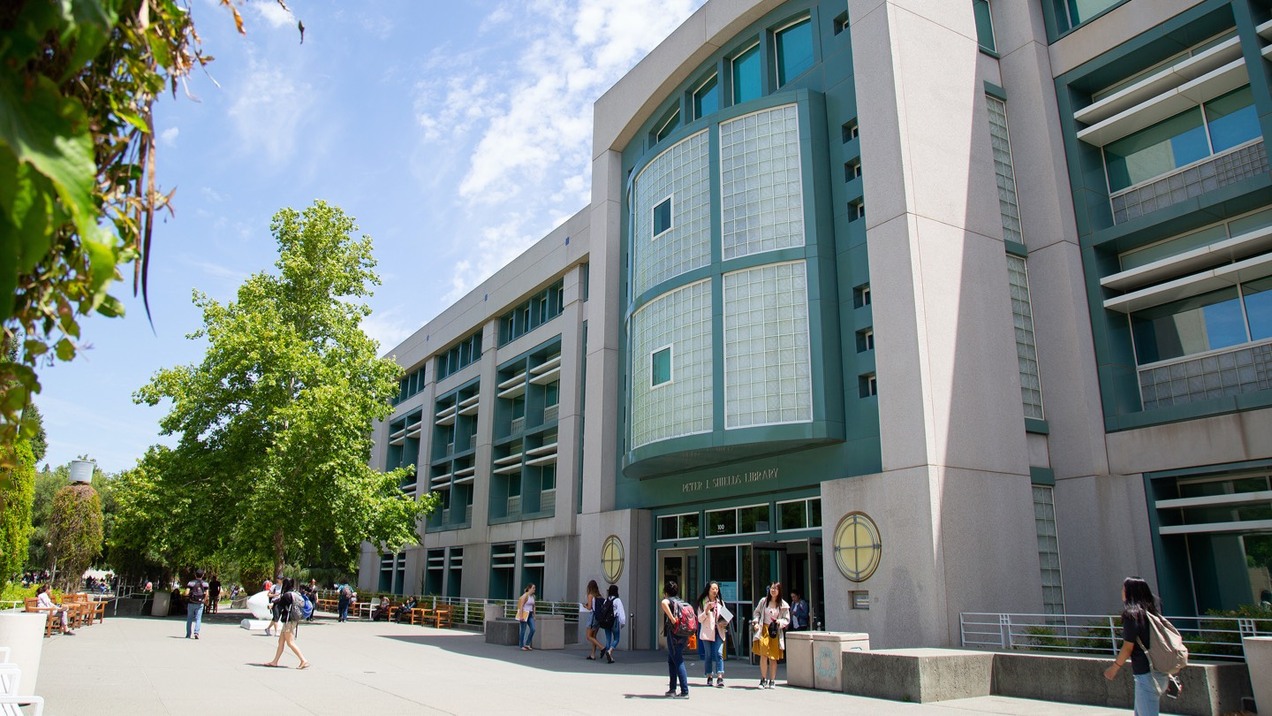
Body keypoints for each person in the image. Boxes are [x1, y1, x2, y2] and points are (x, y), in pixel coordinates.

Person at [1103, 576, 1169, 715]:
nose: (1122, 591)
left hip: (1146, 675)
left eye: (1124, 588)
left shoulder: (1132, 615)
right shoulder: (1152, 614)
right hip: (1160, 673)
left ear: (1130, 592)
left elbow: (1128, 647)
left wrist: (1114, 668)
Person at [263, 578, 310, 670]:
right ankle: (275, 661)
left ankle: (303, 660)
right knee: (281, 641)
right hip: (292, 619)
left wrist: (272, 605)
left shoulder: (287, 595)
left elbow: (280, 603)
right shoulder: (295, 593)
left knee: (290, 642)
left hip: (289, 620)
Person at [752, 581, 789, 689]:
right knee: (763, 655)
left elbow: (787, 619)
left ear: (779, 591)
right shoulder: (763, 601)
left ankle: (772, 680)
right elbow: (757, 612)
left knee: (773, 657)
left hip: (774, 631)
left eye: (775, 589)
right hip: (764, 630)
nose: (773, 590)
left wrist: (779, 622)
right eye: (771, 588)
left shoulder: (783, 604)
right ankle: (763, 679)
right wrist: (756, 622)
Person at [660, 579, 690, 698]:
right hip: (684, 633)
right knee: (671, 660)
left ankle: (684, 690)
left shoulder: (670, 600)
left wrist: (672, 618)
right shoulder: (681, 601)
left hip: (674, 634)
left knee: (678, 660)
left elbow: (663, 603)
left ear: (666, 592)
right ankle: (672, 688)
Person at [696, 581, 729, 687]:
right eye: (713, 589)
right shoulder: (703, 602)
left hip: (719, 631)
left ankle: (720, 676)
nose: (715, 591)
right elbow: (699, 619)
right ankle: (709, 675)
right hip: (707, 632)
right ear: (708, 590)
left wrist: (725, 621)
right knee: (708, 655)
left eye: (717, 589)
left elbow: (726, 617)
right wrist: (706, 610)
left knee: (719, 653)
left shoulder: (721, 602)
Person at [601, 583, 626, 664]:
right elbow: (621, 612)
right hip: (614, 621)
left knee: (608, 639)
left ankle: (609, 654)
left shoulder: (606, 600)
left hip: (606, 622)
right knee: (616, 639)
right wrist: (622, 623)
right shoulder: (617, 600)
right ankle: (610, 651)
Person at [583, 579, 604, 660]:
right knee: (594, 636)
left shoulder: (590, 595)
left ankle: (602, 647)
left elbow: (589, 608)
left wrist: (585, 606)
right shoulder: (599, 595)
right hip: (598, 617)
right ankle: (592, 654)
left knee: (588, 636)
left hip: (593, 617)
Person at [186, 569, 208, 639]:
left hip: (191, 602)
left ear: (195, 575)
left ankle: (188, 634)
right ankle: (196, 633)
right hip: (200, 603)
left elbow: (186, 593)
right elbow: (207, 594)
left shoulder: (190, 583)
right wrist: (204, 601)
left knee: (189, 619)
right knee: (198, 619)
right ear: (203, 575)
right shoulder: (205, 584)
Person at [516, 583, 537, 651]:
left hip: (530, 614)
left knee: (533, 629)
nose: (534, 589)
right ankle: (522, 645)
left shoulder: (533, 596)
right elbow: (521, 606)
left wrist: (534, 615)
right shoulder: (525, 596)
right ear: (529, 588)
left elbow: (534, 606)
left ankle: (527, 644)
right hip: (524, 614)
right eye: (533, 588)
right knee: (523, 630)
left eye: (534, 588)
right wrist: (521, 616)